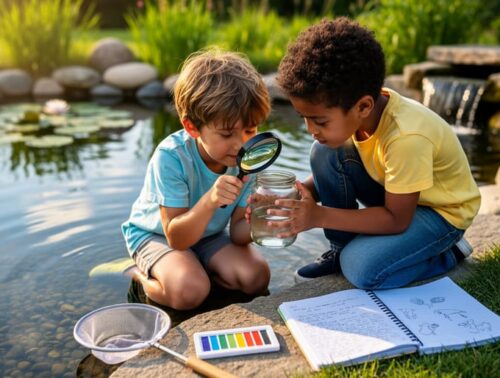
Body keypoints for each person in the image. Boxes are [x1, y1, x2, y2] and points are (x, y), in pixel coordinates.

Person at [269, 17, 481, 289]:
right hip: (399, 195)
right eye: (304, 118)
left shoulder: (406, 137)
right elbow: (334, 168)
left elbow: (396, 219)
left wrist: (318, 216)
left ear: (363, 107)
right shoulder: (363, 111)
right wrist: (297, 196)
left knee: (362, 270)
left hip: (439, 214)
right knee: (323, 151)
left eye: (320, 121)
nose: (311, 129)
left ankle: (449, 252)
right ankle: (340, 249)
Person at [122, 49, 271, 310]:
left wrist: (264, 221)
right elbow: (176, 239)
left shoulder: (248, 157)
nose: (241, 144)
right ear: (192, 127)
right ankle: (137, 273)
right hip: (157, 235)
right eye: (227, 134)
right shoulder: (172, 157)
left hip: (208, 235)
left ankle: (196, 269)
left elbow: (237, 233)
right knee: (190, 292)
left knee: (256, 277)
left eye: (250, 130)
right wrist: (211, 200)